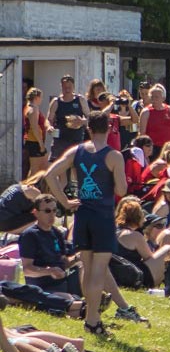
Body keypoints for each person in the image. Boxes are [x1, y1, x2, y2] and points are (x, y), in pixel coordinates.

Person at [42, 111, 144, 333]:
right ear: (108, 128)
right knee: (99, 271)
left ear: (88, 129)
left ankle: (91, 317)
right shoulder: (114, 155)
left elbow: (50, 174)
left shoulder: (76, 151)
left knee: (87, 270)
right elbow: (121, 190)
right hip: (103, 217)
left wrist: (66, 202)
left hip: (83, 215)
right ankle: (92, 320)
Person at [17, 192, 77, 295]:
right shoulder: (30, 235)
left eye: (54, 211)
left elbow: (63, 262)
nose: (52, 215)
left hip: (62, 282)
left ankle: (96, 298)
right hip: (43, 286)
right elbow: (27, 269)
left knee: (86, 266)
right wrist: (49, 271)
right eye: (47, 211)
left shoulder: (57, 233)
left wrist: (78, 258)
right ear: (36, 213)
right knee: (68, 300)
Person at [112, 198, 170, 288]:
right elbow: (149, 257)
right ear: (138, 217)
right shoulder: (135, 235)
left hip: (119, 275)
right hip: (136, 277)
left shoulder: (115, 232)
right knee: (168, 248)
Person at [45, 76, 86, 159]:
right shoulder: (56, 101)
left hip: (76, 139)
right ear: (61, 87)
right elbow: (48, 119)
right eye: (65, 87)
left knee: (75, 165)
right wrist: (49, 127)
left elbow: (90, 118)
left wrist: (82, 121)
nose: (67, 90)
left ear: (73, 87)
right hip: (60, 140)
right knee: (59, 166)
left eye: (69, 87)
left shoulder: (80, 100)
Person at [137, 85, 170, 153]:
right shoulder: (146, 112)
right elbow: (142, 134)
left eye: (157, 97)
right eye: (152, 97)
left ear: (163, 98)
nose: (154, 99)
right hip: (153, 148)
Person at [23, 87, 48, 176]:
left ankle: (36, 186)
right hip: (34, 141)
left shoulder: (29, 107)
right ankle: (29, 187)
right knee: (35, 168)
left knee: (41, 166)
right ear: (36, 97)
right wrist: (41, 144)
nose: (42, 99)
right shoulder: (33, 109)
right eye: (41, 97)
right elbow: (35, 128)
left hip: (33, 141)